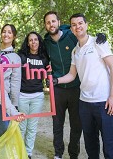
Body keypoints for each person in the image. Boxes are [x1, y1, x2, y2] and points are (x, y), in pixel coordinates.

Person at [43, 11, 107, 159]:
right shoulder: (46, 42)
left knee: (76, 125)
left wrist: (100, 35)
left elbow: (85, 36)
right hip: (57, 88)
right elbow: (39, 57)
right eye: (48, 22)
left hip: (76, 88)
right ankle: (58, 153)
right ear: (45, 25)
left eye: (53, 21)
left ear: (59, 22)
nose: (51, 24)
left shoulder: (71, 35)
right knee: (57, 124)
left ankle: (73, 154)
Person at [56, 13, 113, 159]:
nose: (77, 26)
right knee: (91, 144)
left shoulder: (98, 42)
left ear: (86, 25)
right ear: (71, 29)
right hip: (84, 103)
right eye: (74, 25)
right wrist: (56, 80)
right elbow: (72, 75)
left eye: (80, 23)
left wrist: (112, 96)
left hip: (104, 101)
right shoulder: (75, 51)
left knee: (110, 144)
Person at [17, 31, 49, 159]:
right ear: (27, 43)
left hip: (37, 96)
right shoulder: (21, 56)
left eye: (36, 39)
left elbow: (49, 73)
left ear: (39, 41)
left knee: (32, 126)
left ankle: (28, 153)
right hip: (22, 95)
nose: (33, 42)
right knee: (21, 126)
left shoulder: (44, 58)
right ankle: (20, 153)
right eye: (31, 40)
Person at [0, 24, 22, 138]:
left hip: (2, 96)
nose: (6, 34)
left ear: (14, 36)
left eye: (9, 32)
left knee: (3, 129)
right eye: (4, 31)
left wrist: (15, 103)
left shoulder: (15, 57)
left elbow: (15, 82)